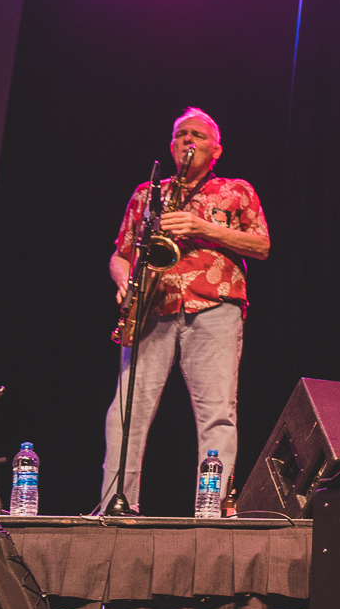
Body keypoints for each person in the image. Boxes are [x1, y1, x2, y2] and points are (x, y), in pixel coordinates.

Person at [99, 108, 270, 514]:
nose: (187, 141)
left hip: (214, 306)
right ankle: (114, 505)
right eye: (180, 135)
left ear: (216, 148)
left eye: (197, 135)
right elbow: (120, 255)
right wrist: (124, 281)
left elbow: (262, 245)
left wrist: (202, 228)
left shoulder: (237, 190)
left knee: (216, 414)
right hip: (151, 308)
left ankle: (212, 508)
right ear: (171, 145)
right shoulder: (148, 193)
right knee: (126, 409)